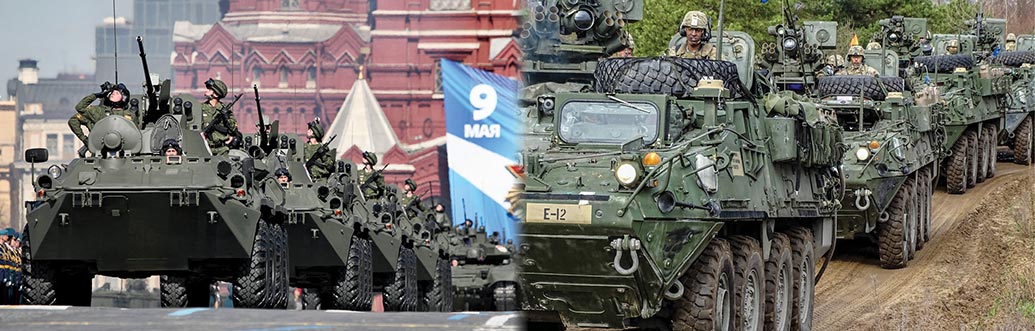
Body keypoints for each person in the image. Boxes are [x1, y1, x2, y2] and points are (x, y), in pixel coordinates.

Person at [69, 82, 135, 147]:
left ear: (124, 97)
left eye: (117, 93)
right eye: (112, 92)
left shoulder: (128, 115)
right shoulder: (99, 111)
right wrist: (97, 95)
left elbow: (134, 133)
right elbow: (79, 108)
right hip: (101, 148)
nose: (113, 94)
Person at [200, 78, 239, 155]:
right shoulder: (200, 108)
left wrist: (226, 116)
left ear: (216, 94)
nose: (207, 90)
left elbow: (233, 130)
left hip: (222, 150)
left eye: (210, 89)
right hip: (204, 148)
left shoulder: (224, 110)